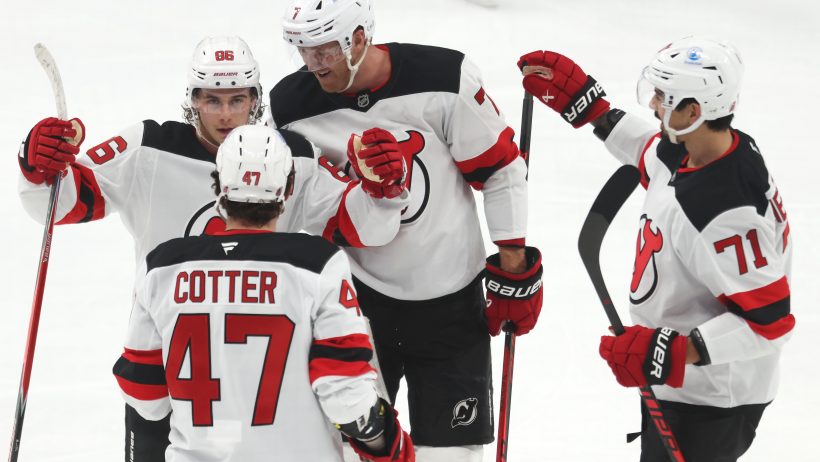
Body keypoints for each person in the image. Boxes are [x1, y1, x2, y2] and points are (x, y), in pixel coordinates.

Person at [17, 35, 409, 461]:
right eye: (212, 101)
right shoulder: (149, 149)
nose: (225, 115)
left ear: (255, 100)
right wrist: (37, 165)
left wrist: (381, 189)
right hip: (172, 369)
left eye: (236, 99)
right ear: (193, 100)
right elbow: (61, 201)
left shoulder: (294, 157)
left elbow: (362, 225)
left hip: (262, 383)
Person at [272, 1, 543, 460]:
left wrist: (513, 266)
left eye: (325, 50)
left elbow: (499, 168)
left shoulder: (444, 77)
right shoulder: (290, 106)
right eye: (304, 50)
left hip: (451, 299)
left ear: (359, 37)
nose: (314, 63)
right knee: (356, 450)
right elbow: (299, 203)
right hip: (356, 304)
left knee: (452, 455)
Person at [517, 37, 794, 461]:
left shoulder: (726, 213)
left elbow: (769, 322)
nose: (654, 105)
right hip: (676, 379)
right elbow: (652, 154)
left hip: (714, 400)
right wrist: (591, 109)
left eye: (665, 98)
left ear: (694, 111)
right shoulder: (703, 148)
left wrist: (672, 351)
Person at [111, 125, 414, 462]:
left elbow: (145, 396)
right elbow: (346, 396)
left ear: (218, 188)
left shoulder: (162, 266)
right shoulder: (317, 264)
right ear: (286, 191)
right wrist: (388, 441)